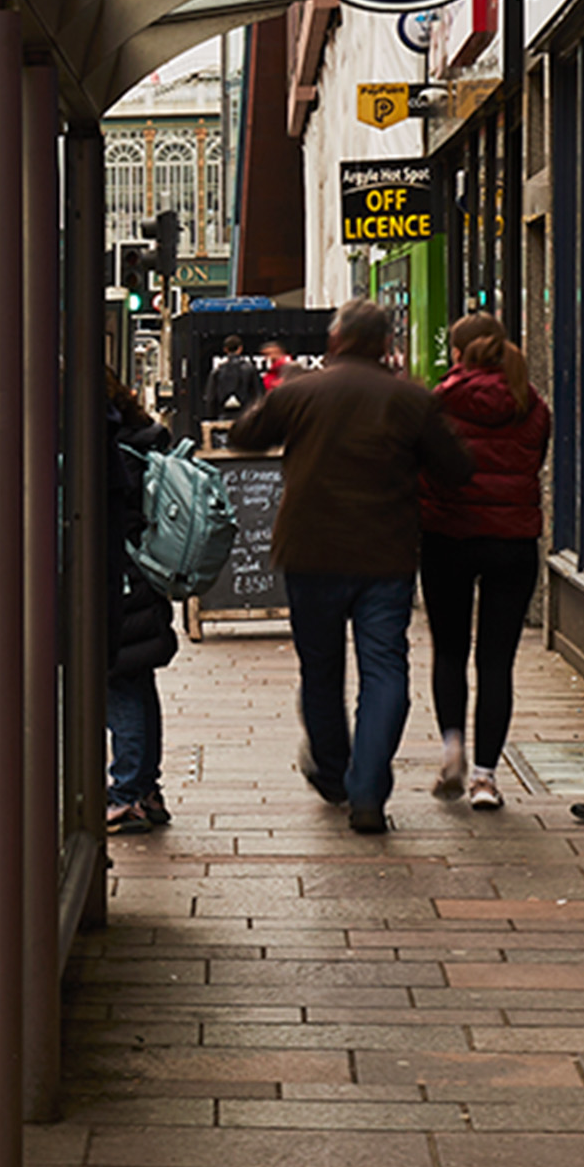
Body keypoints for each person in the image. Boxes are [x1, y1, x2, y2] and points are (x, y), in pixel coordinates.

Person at [226, 301, 471, 834]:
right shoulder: (410, 398)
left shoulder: (301, 391)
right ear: (385, 344)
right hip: (385, 554)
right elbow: (456, 470)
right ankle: (367, 792)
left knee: (321, 669)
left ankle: (335, 774)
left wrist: (279, 392)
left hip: (311, 551)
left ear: (335, 341)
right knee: (384, 668)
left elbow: (243, 435)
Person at [413, 315, 551, 811]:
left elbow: (424, 466)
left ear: (458, 354)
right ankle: (486, 779)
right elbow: (532, 464)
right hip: (512, 544)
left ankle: (452, 747)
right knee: (497, 662)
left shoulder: (439, 401)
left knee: (449, 651)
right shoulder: (530, 402)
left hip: (448, 537)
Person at [102, 367, 180, 834]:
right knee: (136, 683)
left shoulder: (111, 446)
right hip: (144, 577)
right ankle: (145, 788)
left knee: (121, 685)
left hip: (120, 579)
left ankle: (128, 790)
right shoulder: (145, 438)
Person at [193, 334, 292, 435]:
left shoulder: (217, 371)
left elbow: (211, 398)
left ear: (225, 349)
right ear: (240, 349)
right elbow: (258, 395)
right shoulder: (250, 369)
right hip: (246, 418)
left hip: (223, 417)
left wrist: (212, 419)